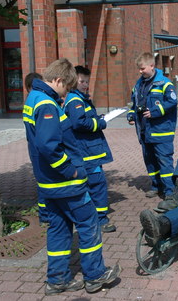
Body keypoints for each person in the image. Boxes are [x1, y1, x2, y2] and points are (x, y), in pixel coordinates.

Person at [23, 58, 121, 295]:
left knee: (58, 229)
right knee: (89, 225)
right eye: (66, 87)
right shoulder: (46, 104)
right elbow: (49, 146)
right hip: (67, 183)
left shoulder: (33, 98)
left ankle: (57, 280)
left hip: (48, 183)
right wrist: (71, 170)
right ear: (57, 80)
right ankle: (95, 275)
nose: (66, 93)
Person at [63, 66, 116, 233]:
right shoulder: (75, 100)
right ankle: (100, 219)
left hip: (88, 152)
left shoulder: (80, 99)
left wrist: (96, 119)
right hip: (87, 154)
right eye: (82, 81)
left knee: (94, 184)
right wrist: (99, 123)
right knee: (97, 185)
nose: (85, 85)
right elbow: (79, 123)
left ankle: (92, 216)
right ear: (73, 81)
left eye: (87, 81)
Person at [127, 52, 178, 199]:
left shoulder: (165, 83)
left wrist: (155, 112)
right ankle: (156, 186)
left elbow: (172, 102)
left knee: (164, 161)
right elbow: (134, 105)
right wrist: (131, 115)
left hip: (161, 132)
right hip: (145, 132)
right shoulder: (138, 85)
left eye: (142, 68)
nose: (140, 71)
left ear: (152, 65)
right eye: (139, 69)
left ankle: (170, 191)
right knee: (150, 161)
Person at [24, 72, 49, 224]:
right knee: (44, 183)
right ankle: (45, 215)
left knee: (41, 182)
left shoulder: (30, 100)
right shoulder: (38, 101)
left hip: (33, 147)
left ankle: (44, 214)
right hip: (38, 149)